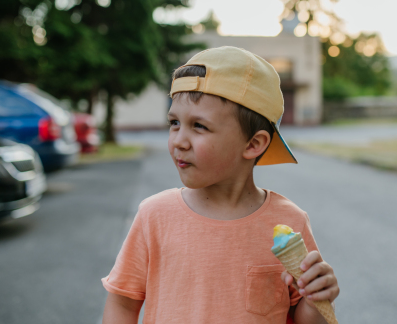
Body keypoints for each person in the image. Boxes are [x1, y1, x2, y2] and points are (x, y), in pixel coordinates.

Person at [101, 46, 339, 323]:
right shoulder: (154, 216)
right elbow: (121, 305)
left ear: (253, 144)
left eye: (199, 126)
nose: (179, 140)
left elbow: (307, 318)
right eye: (174, 122)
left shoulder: (289, 222)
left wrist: (317, 299)